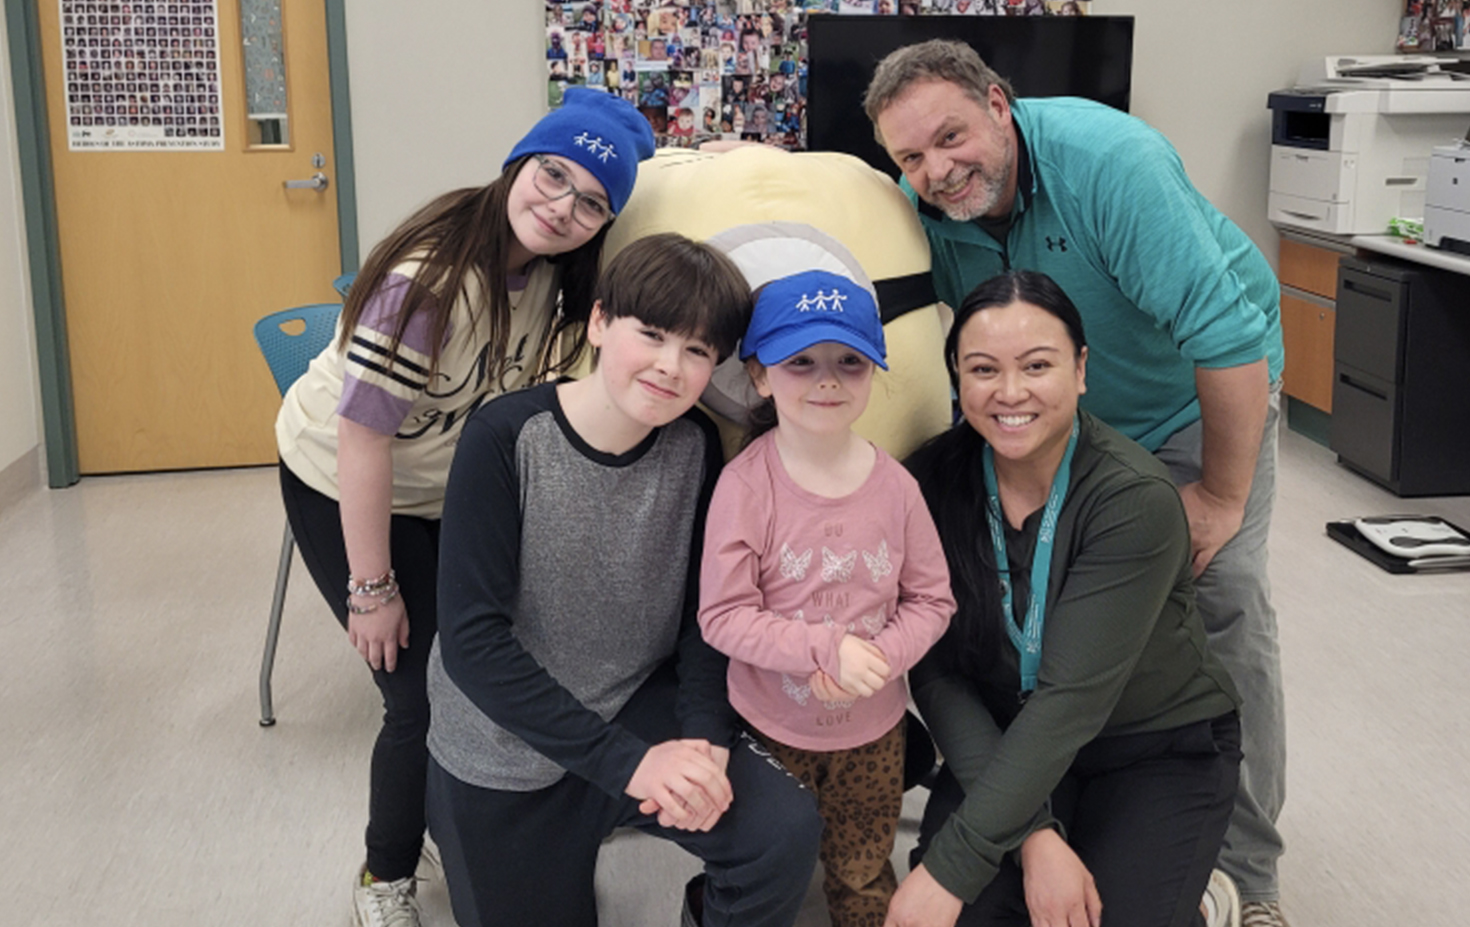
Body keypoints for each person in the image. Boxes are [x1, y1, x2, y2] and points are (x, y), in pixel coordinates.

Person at [864, 39, 1290, 926]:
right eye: (910, 156)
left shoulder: (1110, 164)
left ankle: (1249, 876)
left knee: (1223, 608)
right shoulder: (924, 206)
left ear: (997, 102)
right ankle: (1058, 806)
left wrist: (1217, 494)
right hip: (1054, 409)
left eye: (951, 137)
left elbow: (1226, 336)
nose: (936, 170)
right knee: (1029, 610)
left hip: (1194, 400)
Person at [274, 87, 656, 927]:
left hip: (445, 487)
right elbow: (365, 440)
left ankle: (458, 820)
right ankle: (384, 873)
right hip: (344, 475)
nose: (562, 207)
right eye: (552, 175)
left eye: (592, 201)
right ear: (518, 163)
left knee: (488, 662)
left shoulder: (556, 277)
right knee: (417, 694)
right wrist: (370, 588)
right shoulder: (428, 280)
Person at [425, 234, 823, 927]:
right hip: (504, 740)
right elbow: (471, 644)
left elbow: (706, 615)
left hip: (636, 702)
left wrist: (702, 738)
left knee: (781, 832)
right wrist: (629, 765)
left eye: (698, 351)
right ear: (601, 321)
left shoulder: (696, 445)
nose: (671, 367)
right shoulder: (503, 438)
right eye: (654, 334)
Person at [889, 270, 1243, 927]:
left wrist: (951, 866)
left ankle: (1189, 900)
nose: (1011, 391)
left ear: (1081, 369)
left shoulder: (1132, 499)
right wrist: (1033, 837)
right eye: (983, 368)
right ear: (957, 380)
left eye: (1038, 364)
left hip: (1151, 746)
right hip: (1001, 737)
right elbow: (938, 672)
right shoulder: (928, 486)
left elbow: (1070, 699)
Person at [699, 271, 955, 927]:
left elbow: (932, 599)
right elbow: (722, 615)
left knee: (864, 871)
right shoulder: (745, 485)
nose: (828, 380)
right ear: (760, 376)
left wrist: (880, 655)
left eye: (850, 361)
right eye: (800, 362)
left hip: (874, 734)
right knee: (763, 867)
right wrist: (826, 648)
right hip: (766, 729)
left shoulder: (897, 487)